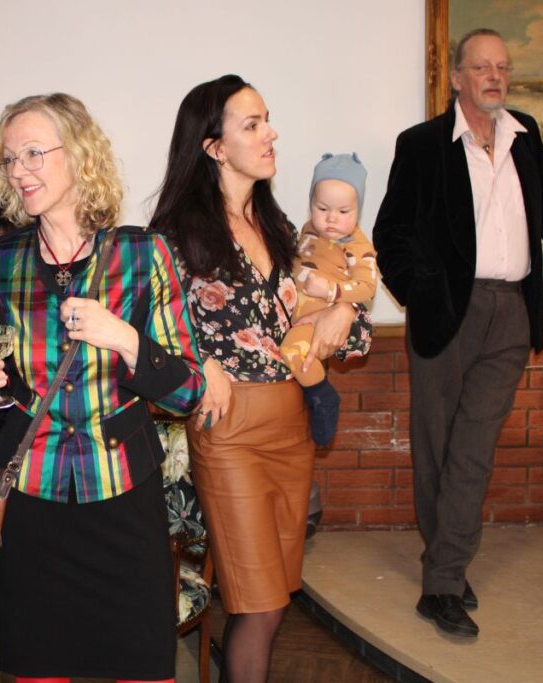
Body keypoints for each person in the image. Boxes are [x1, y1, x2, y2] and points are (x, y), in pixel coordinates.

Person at [373, 28, 543, 638]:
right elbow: (391, 234)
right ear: (457, 78)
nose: (495, 76)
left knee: (474, 449)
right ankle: (445, 562)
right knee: (436, 447)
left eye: (503, 67)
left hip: (512, 313)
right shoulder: (422, 145)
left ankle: (442, 580)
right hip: (448, 312)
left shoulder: (525, 136)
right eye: (482, 67)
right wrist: (421, 292)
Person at [0, 93, 204, 683]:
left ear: (79, 155)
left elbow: (188, 391)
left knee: (143, 671)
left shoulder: (143, 254)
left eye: (34, 153)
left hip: (124, 499)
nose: (19, 170)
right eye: (10, 158)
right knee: (37, 671)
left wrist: (125, 339)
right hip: (30, 503)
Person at [151, 74, 358, 682]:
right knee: (257, 601)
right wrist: (200, 365)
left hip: (293, 427)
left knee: (276, 600)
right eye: (252, 124)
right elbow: (146, 332)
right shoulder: (175, 235)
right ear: (214, 147)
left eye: (267, 119)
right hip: (231, 432)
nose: (271, 134)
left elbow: (329, 311)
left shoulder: (280, 226)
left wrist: (345, 308)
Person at [280, 152, 377, 446]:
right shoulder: (308, 230)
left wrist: (332, 292)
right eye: (322, 208)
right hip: (296, 314)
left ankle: (322, 395)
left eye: (343, 211)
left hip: (320, 317)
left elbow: (367, 288)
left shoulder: (358, 246)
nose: (332, 218)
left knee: (294, 353)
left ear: (358, 210)